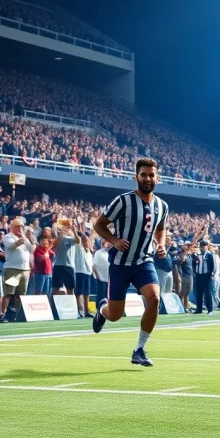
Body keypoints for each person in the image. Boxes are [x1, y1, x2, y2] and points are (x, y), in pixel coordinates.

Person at [92, 157, 169, 367]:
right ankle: (102, 310)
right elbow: (99, 225)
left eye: (151, 175)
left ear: (157, 178)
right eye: (143, 175)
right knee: (115, 315)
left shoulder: (162, 205)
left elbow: (161, 228)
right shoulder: (123, 201)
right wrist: (114, 240)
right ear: (136, 177)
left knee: (154, 299)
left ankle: (140, 349)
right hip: (120, 264)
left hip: (144, 261)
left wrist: (160, 244)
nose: (147, 178)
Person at [1, 219, 35, 316]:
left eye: (21, 226)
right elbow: (11, 246)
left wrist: (31, 240)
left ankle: (16, 313)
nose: (20, 228)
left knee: (20, 295)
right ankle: (3, 313)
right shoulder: (8, 237)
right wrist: (22, 239)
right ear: (12, 227)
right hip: (12, 269)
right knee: (8, 293)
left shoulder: (25, 237)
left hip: (25, 269)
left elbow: (32, 250)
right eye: (17, 226)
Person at [193, 239, 216, 315]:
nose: (203, 247)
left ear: (207, 246)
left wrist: (212, 274)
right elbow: (194, 264)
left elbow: (213, 265)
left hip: (206, 276)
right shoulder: (197, 255)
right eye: (201, 246)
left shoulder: (210, 255)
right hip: (199, 275)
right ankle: (199, 309)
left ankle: (210, 309)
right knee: (199, 293)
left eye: (204, 246)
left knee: (208, 293)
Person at [92, 240, 110, 305]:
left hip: (109, 279)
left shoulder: (110, 253)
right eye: (106, 243)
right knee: (100, 296)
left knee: (107, 296)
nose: (108, 245)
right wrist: (97, 276)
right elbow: (94, 265)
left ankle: (106, 310)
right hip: (101, 278)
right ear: (103, 244)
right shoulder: (98, 253)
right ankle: (99, 311)